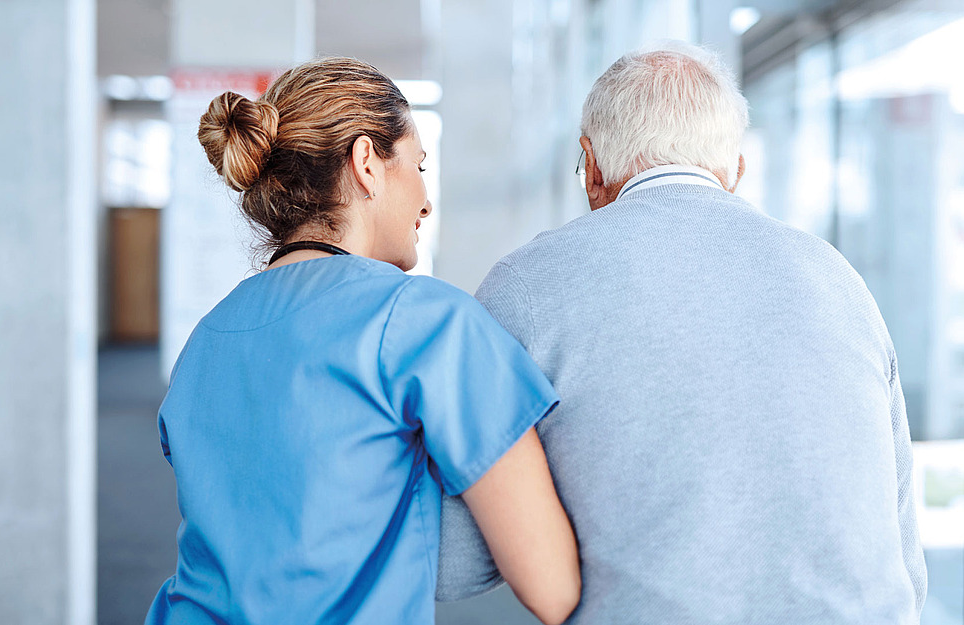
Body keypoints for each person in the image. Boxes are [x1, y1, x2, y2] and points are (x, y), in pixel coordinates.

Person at [437, 41, 927, 624]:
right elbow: (903, 562)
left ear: (591, 165)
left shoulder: (526, 286)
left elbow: (457, 564)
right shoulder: (839, 280)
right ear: (735, 170)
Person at [144, 57, 580, 625]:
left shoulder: (204, 342)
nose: (426, 199)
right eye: (419, 165)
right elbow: (553, 587)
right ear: (367, 163)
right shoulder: (424, 318)